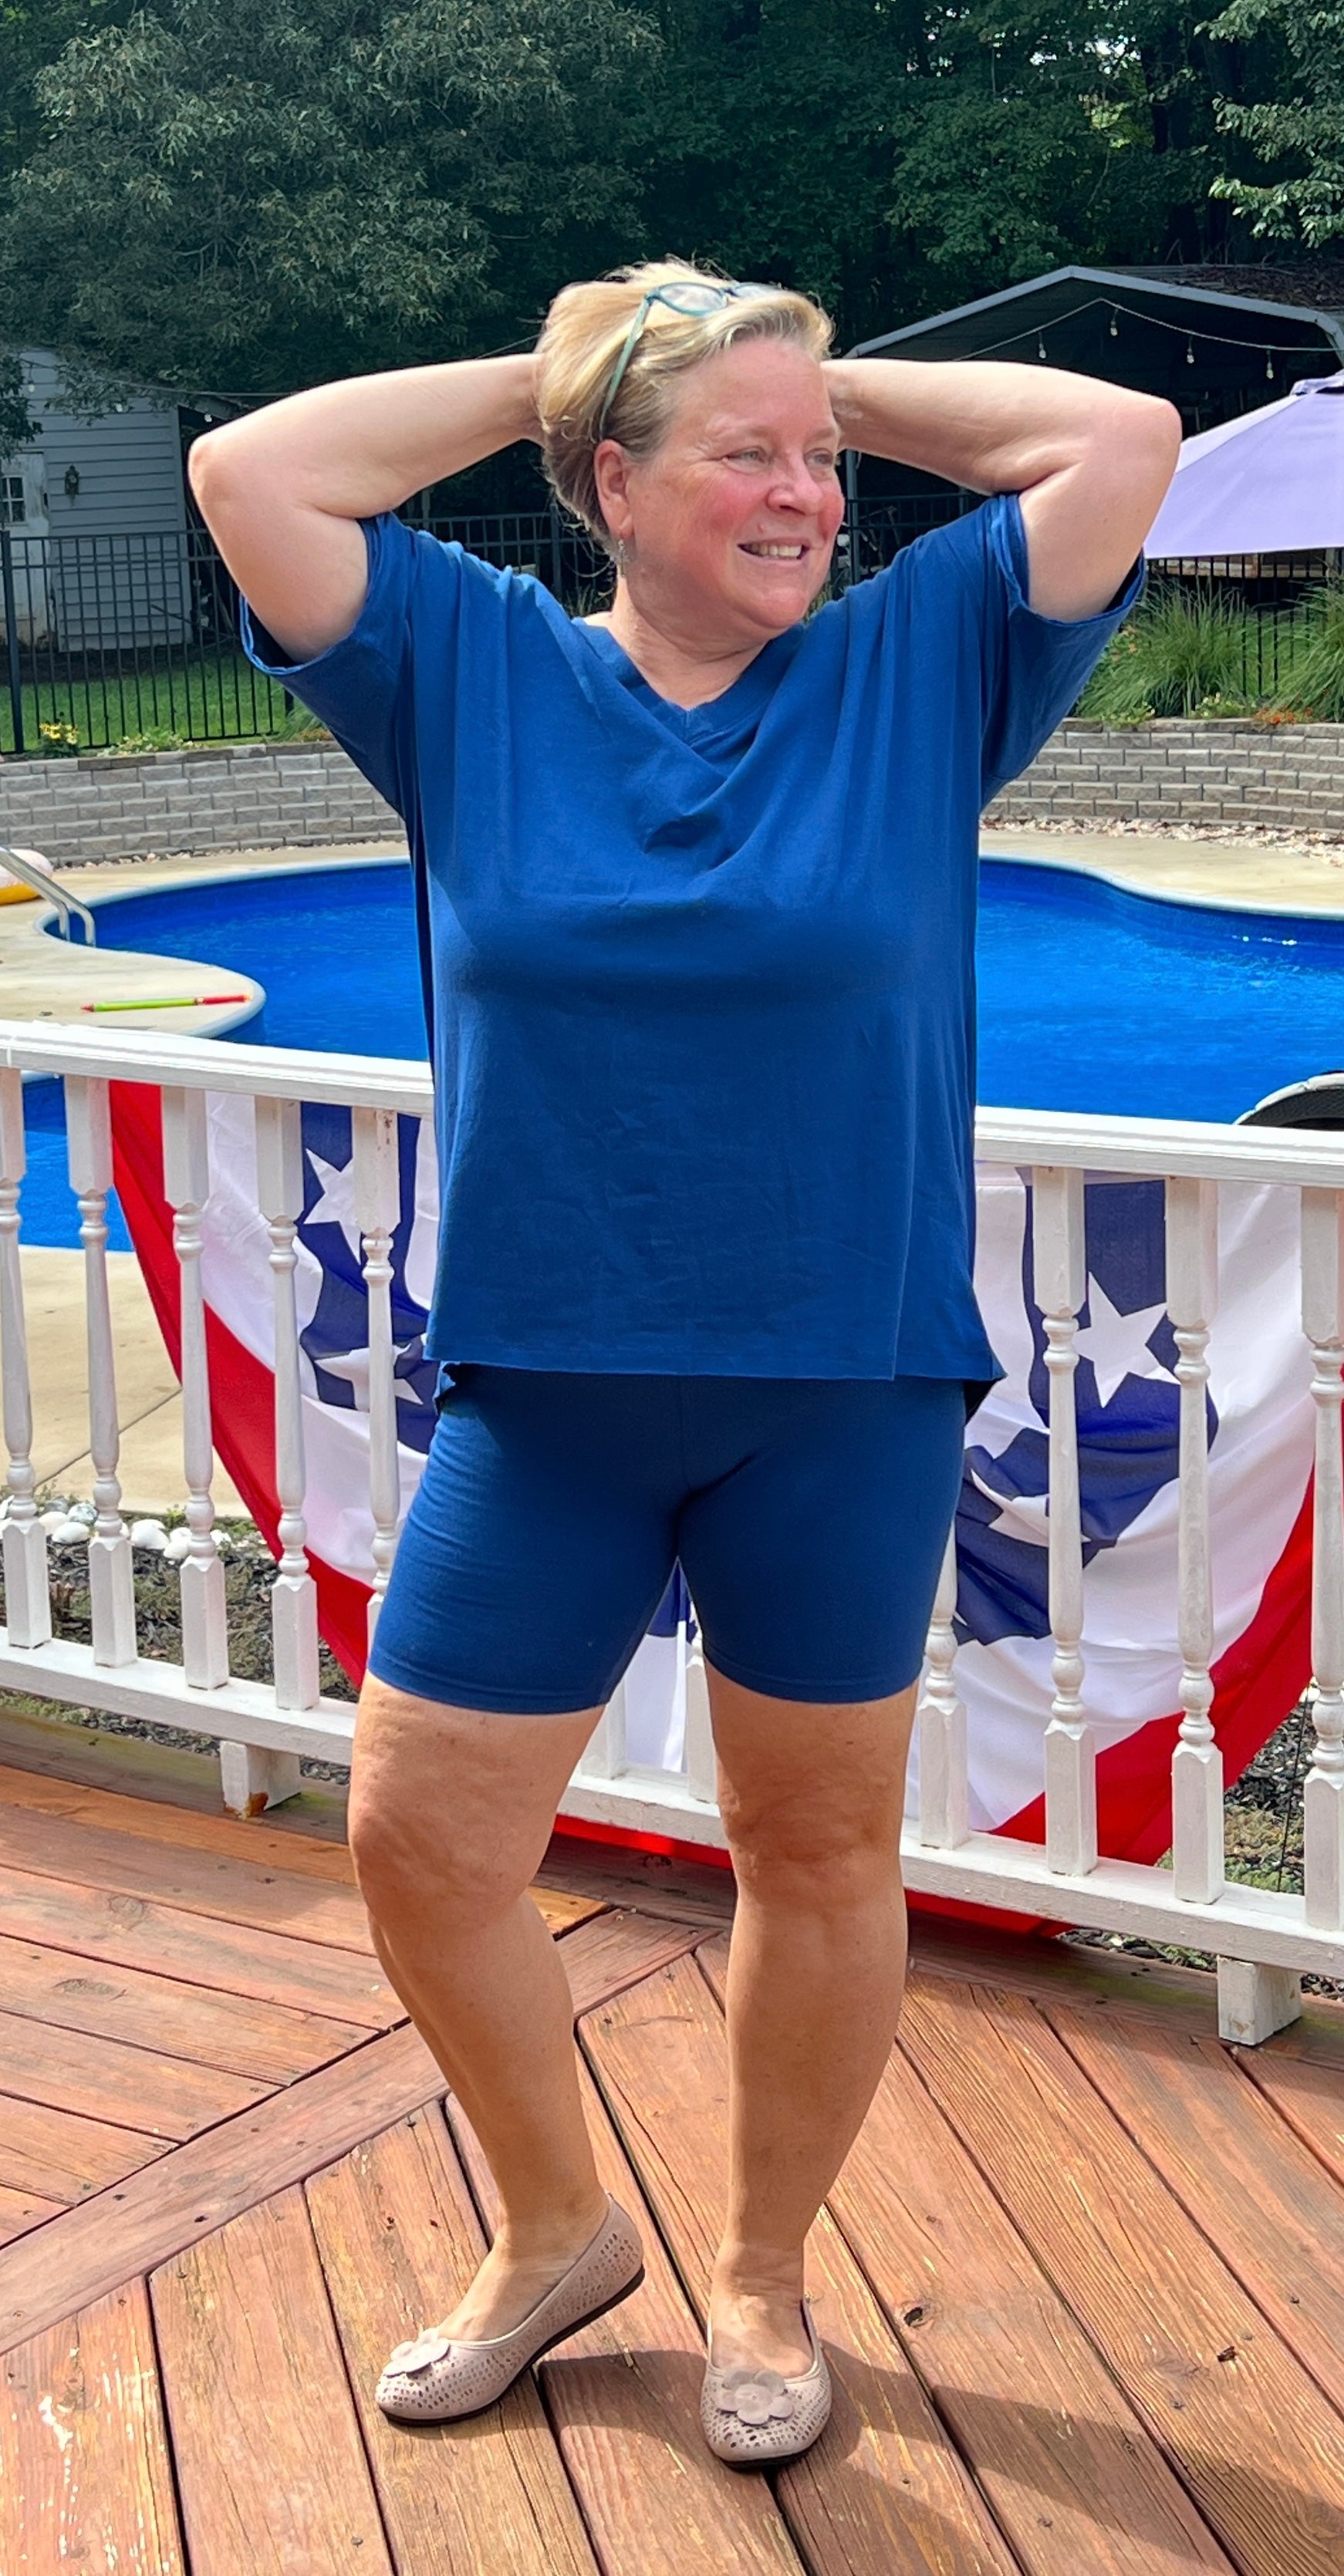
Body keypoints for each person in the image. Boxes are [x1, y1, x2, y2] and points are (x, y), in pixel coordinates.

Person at [190, 260, 1178, 2466]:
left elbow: (1117, 442)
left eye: (822, 461)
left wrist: (800, 381)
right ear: (608, 486)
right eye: (746, 457)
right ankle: (556, 2227)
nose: (809, 492)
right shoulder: (470, 668)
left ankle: (761, 2274)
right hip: (548, 1384)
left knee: (813, 1851)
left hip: (844, 1384)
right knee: (422, 1840)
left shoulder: (921, 664)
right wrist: (594, 360)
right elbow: (253, 472)